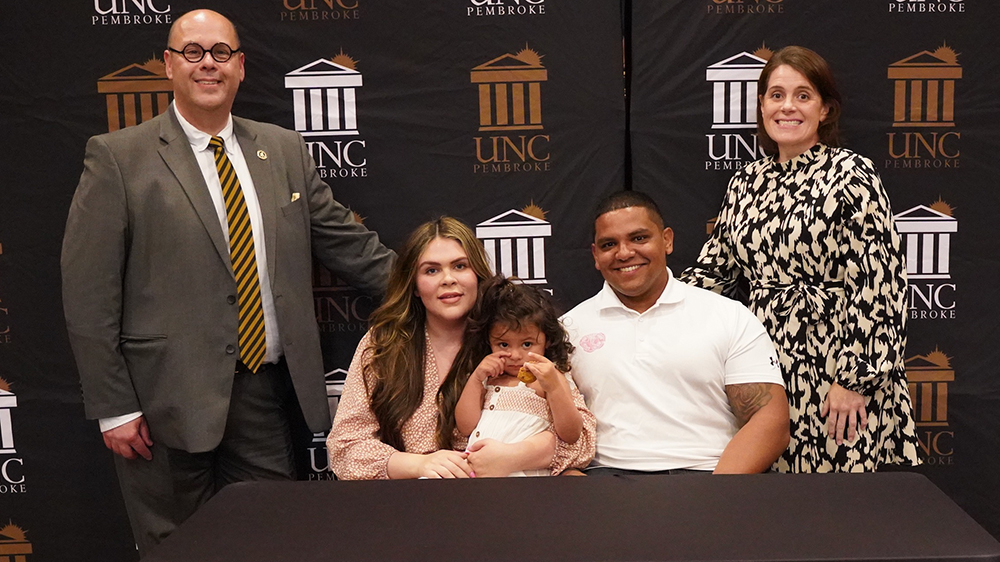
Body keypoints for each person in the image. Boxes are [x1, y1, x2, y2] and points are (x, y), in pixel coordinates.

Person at [61, 9, 395, 555]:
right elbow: (89, 294)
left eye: (220, 53)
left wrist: (441, 290)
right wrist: (114, 406)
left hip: (262, 393)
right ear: (168, 65)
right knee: (176, 548)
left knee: (271, 542)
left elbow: (350, 247)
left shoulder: (284, 151)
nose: (207, 64)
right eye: (192, 52)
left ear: (240, 66)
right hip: (162, 401)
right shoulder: (119, 159)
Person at [680, 46, 921, 473]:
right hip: (762, 362)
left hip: (835, 363)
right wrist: (654, 304)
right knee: (768, 504)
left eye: (803, 95)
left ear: (825, 109)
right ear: (761, 105)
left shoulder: (853, 174)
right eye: (776, 95)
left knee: (832, 508)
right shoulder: (746, 181)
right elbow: (715, 270)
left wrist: (854, 380)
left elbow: (881, 285)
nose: (787, 106)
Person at [328, 217, 595, 479]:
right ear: (415, 286)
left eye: (459, 266)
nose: (448, 279)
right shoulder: (384, 344)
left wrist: (515, 456)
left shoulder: (514, 335)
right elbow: (345, 447)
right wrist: (418, 465)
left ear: (478, 274)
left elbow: (581, 441)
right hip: (414, 499)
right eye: (431, 270)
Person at [562, 191, 789, 475]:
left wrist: (714, 495)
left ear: (667, 240)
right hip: (605, 484)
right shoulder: (566, 329)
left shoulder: (728, 316)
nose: (624, 253)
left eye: (639, 238)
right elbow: (542, 422)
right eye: (609, 244)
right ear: (596, 255)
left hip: (708, 477)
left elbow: (770, 420)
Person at [455, 276, 593, 477]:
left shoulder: (552, 377)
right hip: (479, 475)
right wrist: (476, 379)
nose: (515, 355)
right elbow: (465, 426)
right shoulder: (486, 377)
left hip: (531, 478)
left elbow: (571, 434)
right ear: (488, 342)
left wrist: (554, 387)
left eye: (527, 344)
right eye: (503, 345)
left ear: (546, 340)